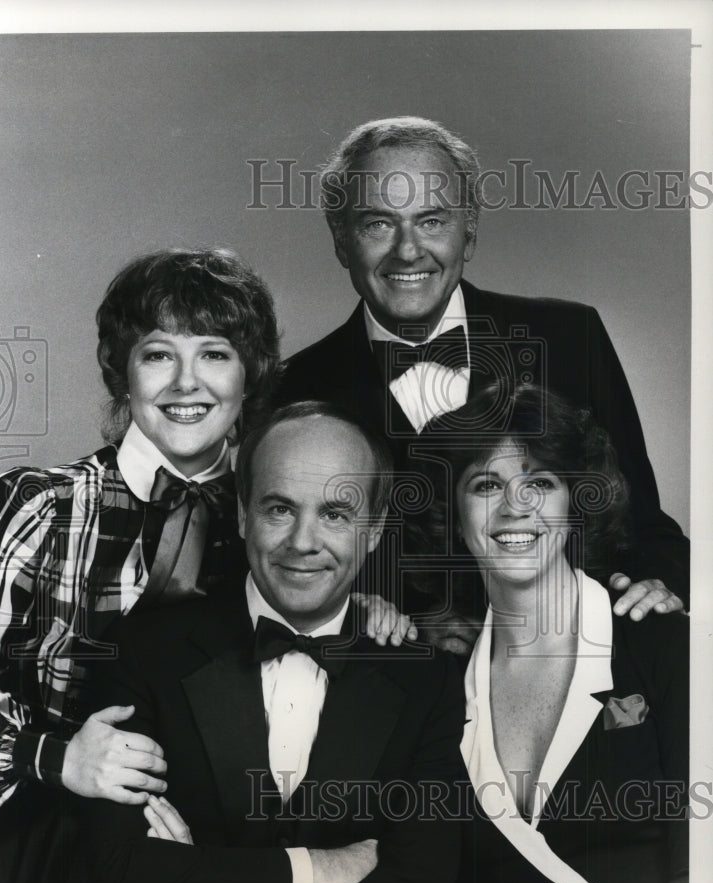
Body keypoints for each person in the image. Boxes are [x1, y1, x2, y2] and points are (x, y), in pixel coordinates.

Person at [0, 248, 412, 883]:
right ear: (121, 372)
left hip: (196, 861)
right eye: (158, 354)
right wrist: (54, 758)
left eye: (214, 354)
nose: (186, 382)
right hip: (42, 852)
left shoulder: (268, 518)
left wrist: (356, 614)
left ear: (250, 375)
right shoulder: (42, 507)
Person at [81, 402, 465, 883]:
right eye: (280, 509)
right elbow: (122, 882)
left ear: (375, 529)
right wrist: (320, 871)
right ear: (242, 515)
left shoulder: (428, 681)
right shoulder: (141, 652)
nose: (303, 542)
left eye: (335, 514)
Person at [277, 116, 689, 626]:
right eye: (377, 223)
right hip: (396, 670)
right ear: (341, 239)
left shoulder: (570, 337)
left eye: (432, 221)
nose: (408, 250)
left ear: (469, 231)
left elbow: (647, 527)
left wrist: (658, 585)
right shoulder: (292, 388)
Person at [419, 384, 688, 883]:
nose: (515, 506)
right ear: (454, 515)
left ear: (574, 502)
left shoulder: (663, 644)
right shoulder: (441, 688)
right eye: (485, 485)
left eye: (540, 482)